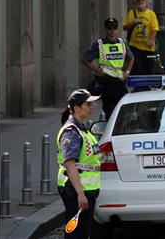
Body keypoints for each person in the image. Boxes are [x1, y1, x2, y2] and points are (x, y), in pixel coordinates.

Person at [57, 89, 101, 239]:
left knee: (82, 232)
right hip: (76, 189)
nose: (92, 107)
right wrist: (81, 194)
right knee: (75, 234)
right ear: (76, 108)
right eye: (88, 104)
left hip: (86, 189)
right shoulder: (71, 132)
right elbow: (70, 165)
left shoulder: (82, 129)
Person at [81, 18, 134, 119]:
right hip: (106, 80)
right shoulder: (99, 44)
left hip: (119, 81)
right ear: (105, 30)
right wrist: (95, 69)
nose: (112, 31)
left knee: (125, 108)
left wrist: (127, 72)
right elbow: (85, 59)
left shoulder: (122, 43)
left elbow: (131, 58)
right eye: (109, 28)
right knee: (110, 109)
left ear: (117, 29)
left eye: (114, 28)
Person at [123, 0, 160, 75]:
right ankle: (137, 87)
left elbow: (155, 29)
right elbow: (124, 28)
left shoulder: (151, 14)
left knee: (148, 69)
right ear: (135, 2)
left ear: (146, 1)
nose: (140, 1)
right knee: (137, 69)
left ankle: (147, 87)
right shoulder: (132, 13)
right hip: (135, 46)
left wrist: (151, 41)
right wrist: (132, 23)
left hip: (148, 47)